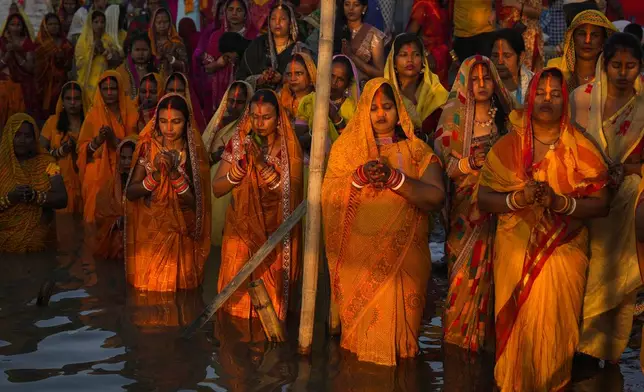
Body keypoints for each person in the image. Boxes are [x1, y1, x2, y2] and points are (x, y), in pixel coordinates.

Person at [477, 68, 609, 390]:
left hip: (563, 250)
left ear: (565, 100)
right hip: (513, 250)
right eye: (540, 93)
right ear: (530, 96)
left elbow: (602, 203)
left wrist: (559, 203)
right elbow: (483, 198)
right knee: (516, 339)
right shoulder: (508, 145)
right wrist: (518, 199)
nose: (546, 100)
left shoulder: (581, 147)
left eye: (554, 94)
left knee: (555, 333)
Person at [322, 78, 445, 366]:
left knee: (404, 348)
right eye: (374, 108)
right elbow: (327, 195)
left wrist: (396, 179)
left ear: (398, 110)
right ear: (364, 111)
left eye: (387, 107)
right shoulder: (346, 151)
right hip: (359, 262)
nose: (380, 114)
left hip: (406, 261)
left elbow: (436, 197)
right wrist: (358, 177)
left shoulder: (417, 150)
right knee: (359, 352)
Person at [569, 33, 644, 364]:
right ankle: (578, 348)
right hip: (588, 200)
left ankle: (608, 352)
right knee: (585, 276)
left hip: (629, 201)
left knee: (616, 279)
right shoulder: (581, 99)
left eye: (631, 66)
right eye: (616, 65)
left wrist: (629, 169)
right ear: (605, 64)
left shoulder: (643, 106)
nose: (623, 73)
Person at [435, 56, 514, 353]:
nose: (481, 85)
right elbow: (446, 168)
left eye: (487, 78)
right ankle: (458, 345)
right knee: (464, 278)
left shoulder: (506, 118)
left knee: (497, 274)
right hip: (466, 215)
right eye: (475, 79)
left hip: (500, 210)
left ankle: (491, 343)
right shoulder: (452, 117)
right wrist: (471, 163)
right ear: (465, 83)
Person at [212, 89, 303, 321]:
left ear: (278, 118)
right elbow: (218, 188)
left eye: (266, 117)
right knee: (235, 307)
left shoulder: (288, 148)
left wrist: (261, 165)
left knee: (271, 309)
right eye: (254, 116)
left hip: (274, 236)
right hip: (239, 234)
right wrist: (238, 170)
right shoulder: (239, 143)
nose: (259, 123)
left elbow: (288, 194)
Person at [125, 94, 211, 292]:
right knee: (149, 293)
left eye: (176, 122)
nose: (169, 128)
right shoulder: (148, 148)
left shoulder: (194, 154)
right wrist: (155, 176)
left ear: (186, 122)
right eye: (163, 122)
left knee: (181, 294)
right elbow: (130, 192)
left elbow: (197, 204)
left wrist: (173, 174)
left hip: (182, 235)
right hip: (151, 234)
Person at [0, 114, 68, 253]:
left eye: (28, 136)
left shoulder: (49, 164)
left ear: (35, 138)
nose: (22, 140)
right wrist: (10, 198)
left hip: (40, 242)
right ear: (8, 135)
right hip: (4, 243)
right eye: (17, 134)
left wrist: (35, 196)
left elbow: (62, 198)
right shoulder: (1, 166)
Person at [77, 71, 138, 224]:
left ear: (120, 89)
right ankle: (95, 230)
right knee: (95, 180)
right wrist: (98, 140)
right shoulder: (93, 114)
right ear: (100, 90)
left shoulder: (131, 111)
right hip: (101, 165)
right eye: (105, 89)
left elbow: (137, 142)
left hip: (127, 163)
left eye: (113, 88)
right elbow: (83, 149)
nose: (109, 93)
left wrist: (114, 140)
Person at [202, 80, 253, 246]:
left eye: (239, 102)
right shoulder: (217, 124)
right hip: (212, 182)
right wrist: (215, 156)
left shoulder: (250, 127)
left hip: (235, 184)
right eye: (231, 101)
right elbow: (203, 153)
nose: (234, 105)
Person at [192, 0, 259, 120]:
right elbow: (207, 68)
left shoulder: (254, 37)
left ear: (246, 13)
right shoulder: (216, 36)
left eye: (239, 10)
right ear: (225, 12)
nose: (234, 13)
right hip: (218, 93)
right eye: (230, 9)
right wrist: (219, 63)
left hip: (246, 90)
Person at [383, 33, 448, 139]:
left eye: (416, 54)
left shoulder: (435, 92)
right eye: (403, 55)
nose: (410, 60)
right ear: (393, 62)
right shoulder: (386, 94)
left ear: (423, 60)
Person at [40, 81, 85, 217]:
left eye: (76, 99)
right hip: (59, 181)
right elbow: (40, 151)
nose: (72, 103)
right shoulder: (52, 122)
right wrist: (60, 152)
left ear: (83, 101)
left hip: (85, 179)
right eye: (68, 99)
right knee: (64, 227)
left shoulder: (89, 122)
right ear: (62, 101)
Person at [236, 2, 303, 90]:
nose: (277, 23)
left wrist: (282, 79)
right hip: (257, 99)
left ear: (291, 23)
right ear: (269, 22)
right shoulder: (258, 44)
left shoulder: (299, 49)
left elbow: (306, 80)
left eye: (282, 19)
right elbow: (241, 77)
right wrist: (261, 78)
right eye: (273, 19)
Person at [295, 54, 361, 144]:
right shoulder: (308, 101)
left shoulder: (354, 109)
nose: (334, 82)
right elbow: (299, 141)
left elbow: (352, 143)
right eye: (331, 76)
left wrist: (336, 119)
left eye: (340, 79)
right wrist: (317, 129)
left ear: (348, 84)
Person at [547, 10, 617, 90]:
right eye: (582, 34)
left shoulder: (612, 74)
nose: (587, 40)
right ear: (572, 39)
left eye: (594, 35)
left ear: (603, 42)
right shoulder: (555, 68)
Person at [95, 136, 138, 260]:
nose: (126, 162)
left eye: (131, 158)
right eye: (123, 158)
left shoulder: (144, 184)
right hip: (115, 242)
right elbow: (100, 217)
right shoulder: (109, 187)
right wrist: (117, 221)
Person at [75, 10, 123, 110]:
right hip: (87, 83)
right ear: (90, 23)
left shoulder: (109, 40)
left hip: (105, 83)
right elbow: (79, 64)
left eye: (102, 22)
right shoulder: (83, 41)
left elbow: (117, 61)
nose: (99, 25)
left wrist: (104, 51)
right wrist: (92, 53)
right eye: (96, 22)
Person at [0, 11, 37, 125]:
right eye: (12, 24)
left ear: (23, 27)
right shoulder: (2, 42)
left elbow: (30, 68)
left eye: (18, 25)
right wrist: (7, 56)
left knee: (19, 120)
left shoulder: (27, 43)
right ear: (7, 26)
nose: (15, 27)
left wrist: (16, 51)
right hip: (4, 84)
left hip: (23, 86)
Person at [337, 0, 386, 84]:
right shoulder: (334, 31)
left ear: (364, 8)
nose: (351, 8)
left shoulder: (374, 35)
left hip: (361, 87)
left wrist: (352, 56)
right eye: (347, 4)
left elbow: (380, 73)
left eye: (356, 5)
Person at [36, 13, 74, 117]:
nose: (54, 26)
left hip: (61, 83)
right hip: (43, 84)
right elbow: (36, 67)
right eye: (50, 24)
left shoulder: (66, 44)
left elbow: (69, 66)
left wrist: (62, 58)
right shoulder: (40, 44)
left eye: (56, 24)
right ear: (45, 26)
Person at [406, 0, 450, 87]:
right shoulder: (423, 4)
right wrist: (426, 54)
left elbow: (445, 35)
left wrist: (453, 57)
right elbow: (410, 35)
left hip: (442, 58)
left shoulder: (441, 5)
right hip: (429, 59)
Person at [491, 28, 535, 105]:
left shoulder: (535, 85)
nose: (500, 61)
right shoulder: (484, 85)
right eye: (495, 56)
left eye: (507, 56)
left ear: (521, 57)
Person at [497, 0, 544, 71]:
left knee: (527, 75)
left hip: (527, 39)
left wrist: (515, 4)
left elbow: (537, 12)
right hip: (508, 36)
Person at [116, 33, 157, 103]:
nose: (141, 54)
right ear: (130, 51)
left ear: (150, 51)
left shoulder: (157, 69)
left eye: (144, 50)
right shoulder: (120, 71)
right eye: (137, 50)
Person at [148, 8, 188, 77]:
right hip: (152, 82)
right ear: (154, 24)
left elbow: (185, 66)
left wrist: (170, 59)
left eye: (165, 22)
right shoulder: (148, 41)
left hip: (172, 81)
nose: (162, 25)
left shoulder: (177, 42)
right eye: (159, 22)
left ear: (170, 23)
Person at [280, 52, 317, 121]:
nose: (292, 79)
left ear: (311, 75)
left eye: (298, 73)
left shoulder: (318, 103)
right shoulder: (281, 98)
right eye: (289, 74)